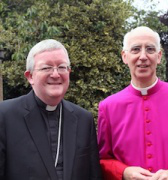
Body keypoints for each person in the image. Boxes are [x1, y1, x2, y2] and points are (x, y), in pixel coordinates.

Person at [97, 26, 168, 180]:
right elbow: (102, 160)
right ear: (124, 56)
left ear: (159, 56)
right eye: (136, 49)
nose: (143, 56)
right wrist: (124, 172)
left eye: (150, 49)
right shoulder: (108, 107)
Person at [0, 39, 102, 180]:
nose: (55, 74)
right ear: (30, 76)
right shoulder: (5, 115)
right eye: (46, 68)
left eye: (61, 67)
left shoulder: (84, 119)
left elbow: (93, 175)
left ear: (69, 72)